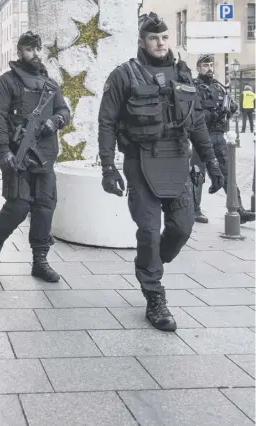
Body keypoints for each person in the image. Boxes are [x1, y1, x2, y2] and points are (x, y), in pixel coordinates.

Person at [97, 12, 225, 331]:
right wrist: (108, 167)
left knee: (182, 228)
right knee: (149, 232)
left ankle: (149, 263)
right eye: (154, 38)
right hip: (140, 161)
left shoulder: (183, 75)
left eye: (165, 37)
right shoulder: (123, 75)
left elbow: (196, 124)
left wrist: (213, 165)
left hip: (177, 161)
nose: (160, 42)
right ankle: (155, 297)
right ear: (142, 41)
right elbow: (107, 122)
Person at [0, 31, 70, 282]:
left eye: (38, 48)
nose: (36, 53)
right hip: (17, 154)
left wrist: (55, 121)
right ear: (19, 52)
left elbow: (64, 110)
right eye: (30, 49)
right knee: (18, 206)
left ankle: (40, 261)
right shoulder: (6, 82)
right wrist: (3, 151)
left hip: (44, 155)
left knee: (44, 207)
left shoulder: (50, 85)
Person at [193, 55, 254, 224]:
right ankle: (194, 210)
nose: (209, 68)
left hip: (219, 136)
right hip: (201, 135)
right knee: (197, 174)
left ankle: (238, 209)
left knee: (228, 173)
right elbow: (192, 111)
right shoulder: (194, 87)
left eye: (211, 65)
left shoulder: (219, 87)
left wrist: (230, 109)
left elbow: (231, 105)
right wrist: (211, 114)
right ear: (198, 68)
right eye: (205, 65)